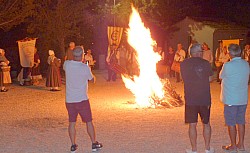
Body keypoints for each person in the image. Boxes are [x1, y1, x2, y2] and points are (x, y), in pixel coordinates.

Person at [63, 46, 102, 152]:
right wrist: (94, 76)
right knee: (89, 122)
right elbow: (91, 79)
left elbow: (68, 61)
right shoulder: (85, 67)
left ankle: (73, 145)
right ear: (82, 55)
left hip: (70, 100)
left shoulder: (67, 64)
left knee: (72, 122)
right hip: (82, 100)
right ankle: (94, 143)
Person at [180, 43, 214, 153]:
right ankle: (207, 148)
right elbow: (210, 78)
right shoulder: (206, 63)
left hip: (191, 98)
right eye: (202, 51)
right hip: (204, 98)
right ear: (199, 53)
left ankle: (194, 149)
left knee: (192, 124)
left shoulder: (184, 64)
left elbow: (183, 78)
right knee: (206, 123)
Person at [220, 44, 249, 152]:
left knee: (231, 122)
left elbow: (220, 76)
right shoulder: (246, 64)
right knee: (241, 121)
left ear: (230, 53)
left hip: (231, 98)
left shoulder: (228, 65)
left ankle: (233, 145)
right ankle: (241, 144)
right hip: (242, 98)